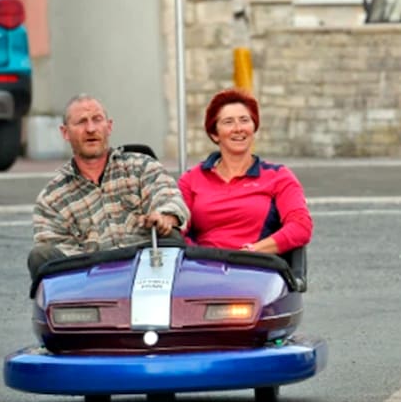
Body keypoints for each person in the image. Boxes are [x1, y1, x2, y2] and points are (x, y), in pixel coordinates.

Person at [29, 94, 190, 275]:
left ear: (109, 126)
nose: (90, 129)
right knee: (40, 255)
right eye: (81, 122)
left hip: (149, 271)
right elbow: (54, 248)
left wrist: (164, 217)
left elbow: (170, 198)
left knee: (171, 236)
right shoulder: (52, 197)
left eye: (97, 120)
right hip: (91, 281)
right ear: (65, 132)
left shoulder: (142, 166)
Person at [178, 88, 312, 256]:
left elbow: (301, 227)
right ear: (214, 134)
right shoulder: (191, 179)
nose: (238, 128)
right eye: (228, 122)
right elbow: (177, 228)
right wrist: (199, 255)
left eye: (244, 120)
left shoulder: (278, 176)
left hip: (255, 267)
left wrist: (253, 251)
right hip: (203, 267)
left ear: (254, 127)